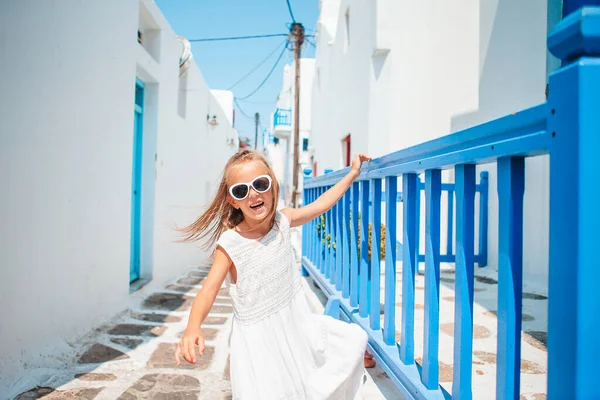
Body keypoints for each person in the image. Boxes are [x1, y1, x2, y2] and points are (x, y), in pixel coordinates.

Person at [175, 149, 373, 399]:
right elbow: (209, 289)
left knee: (347, 345)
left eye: (260, 184)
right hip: (259, 348)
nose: (253, 194)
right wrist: (193, 327)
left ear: (272, 185)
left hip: (298, 331)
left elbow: (321, 205)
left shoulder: (283, 221)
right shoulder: (230, 243)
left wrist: (353, 173)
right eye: (241, 190)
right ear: (232, 200)